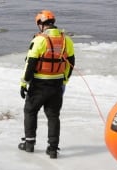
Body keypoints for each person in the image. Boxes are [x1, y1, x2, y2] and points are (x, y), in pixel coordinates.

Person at [18, 10, 75, 159]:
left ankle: (29, 144)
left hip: (39, 84)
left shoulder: (39, 40)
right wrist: (64, 82)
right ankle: (53, 149)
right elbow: (71, 63)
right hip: (56, 84)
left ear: (40, 24)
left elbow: (30, 64)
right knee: (53, 116)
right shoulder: (66, 40)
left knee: (30, 111)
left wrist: (24, 83)